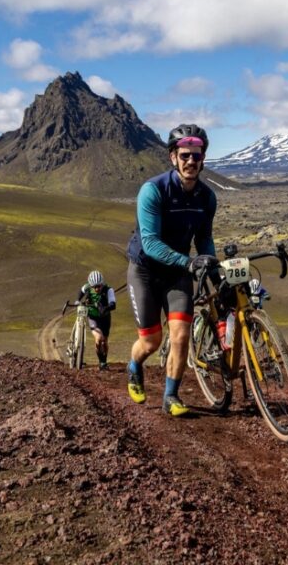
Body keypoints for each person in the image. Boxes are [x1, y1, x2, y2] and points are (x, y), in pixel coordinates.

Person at [125, 123, 218, 416]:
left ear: (203, 159)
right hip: (145, 271)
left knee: (180, 335)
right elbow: (150, 243)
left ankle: (170, 396)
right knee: (151, 341)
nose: (191, 161)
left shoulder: (207, 197)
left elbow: (204, 239)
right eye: (185, 155)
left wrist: (215, 273)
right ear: (173, 157)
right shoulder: (153, 191)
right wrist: (189, 262)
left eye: (197, 156)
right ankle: (133, 365)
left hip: (178, 272)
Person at [76, 270, 116, 370]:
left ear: (102, 284)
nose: (97, 288)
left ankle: (103, 362)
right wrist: (78, 301)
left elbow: (113, 304)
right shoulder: (87, 287)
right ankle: (101, 362)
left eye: (99, 286)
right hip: (93, 317)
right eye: (94, 287)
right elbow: (81, 292)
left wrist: (105, 308)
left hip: (105, 318)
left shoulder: (108, 290)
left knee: (104, 342)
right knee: (99, 339)